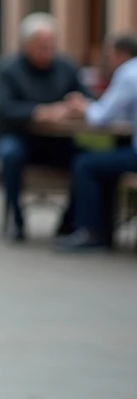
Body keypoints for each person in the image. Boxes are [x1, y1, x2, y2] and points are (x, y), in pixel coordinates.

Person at [0, 12, 93, 241]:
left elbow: (88, 98)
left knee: (88, 161)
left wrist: (78, 105)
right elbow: (4, 107)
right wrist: (39, 112)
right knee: (10, 155)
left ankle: (69, 222)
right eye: (41, 45)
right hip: (20, 138)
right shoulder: (8, 69)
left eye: (51, 44)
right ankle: (16, 220)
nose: (47, 50)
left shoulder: (66, 67)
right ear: (27, 44)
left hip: (58, 142)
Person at [57, 34, 137, 251]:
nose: (108, 61)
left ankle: (91, 233)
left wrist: (82, 107)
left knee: (86, 164)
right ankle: (104, 231)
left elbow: (101, 117)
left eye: (110, 55)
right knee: (106, 163)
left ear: (121, 54)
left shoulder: (128, 73)